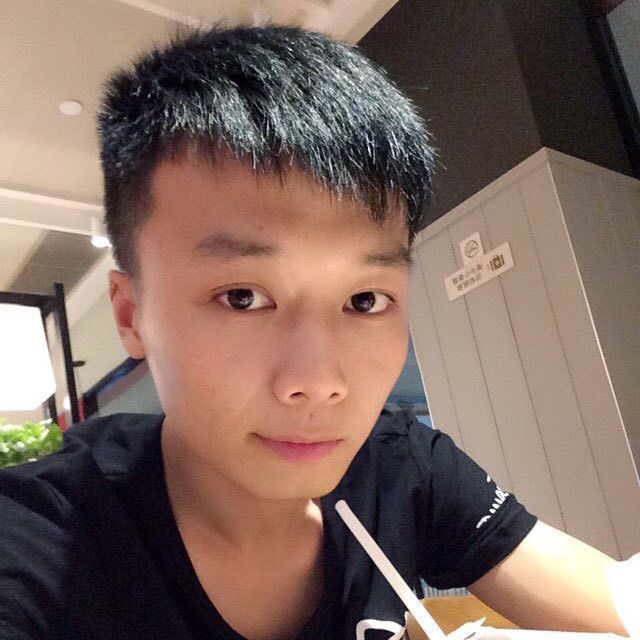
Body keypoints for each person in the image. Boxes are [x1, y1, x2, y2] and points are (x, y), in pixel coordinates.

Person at [0, 23, 629, 640]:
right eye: (243, 298)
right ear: (130, 314)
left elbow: (615, 604)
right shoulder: (41, 542)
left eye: (365, 299)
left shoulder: (397, 466)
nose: (319, 382)